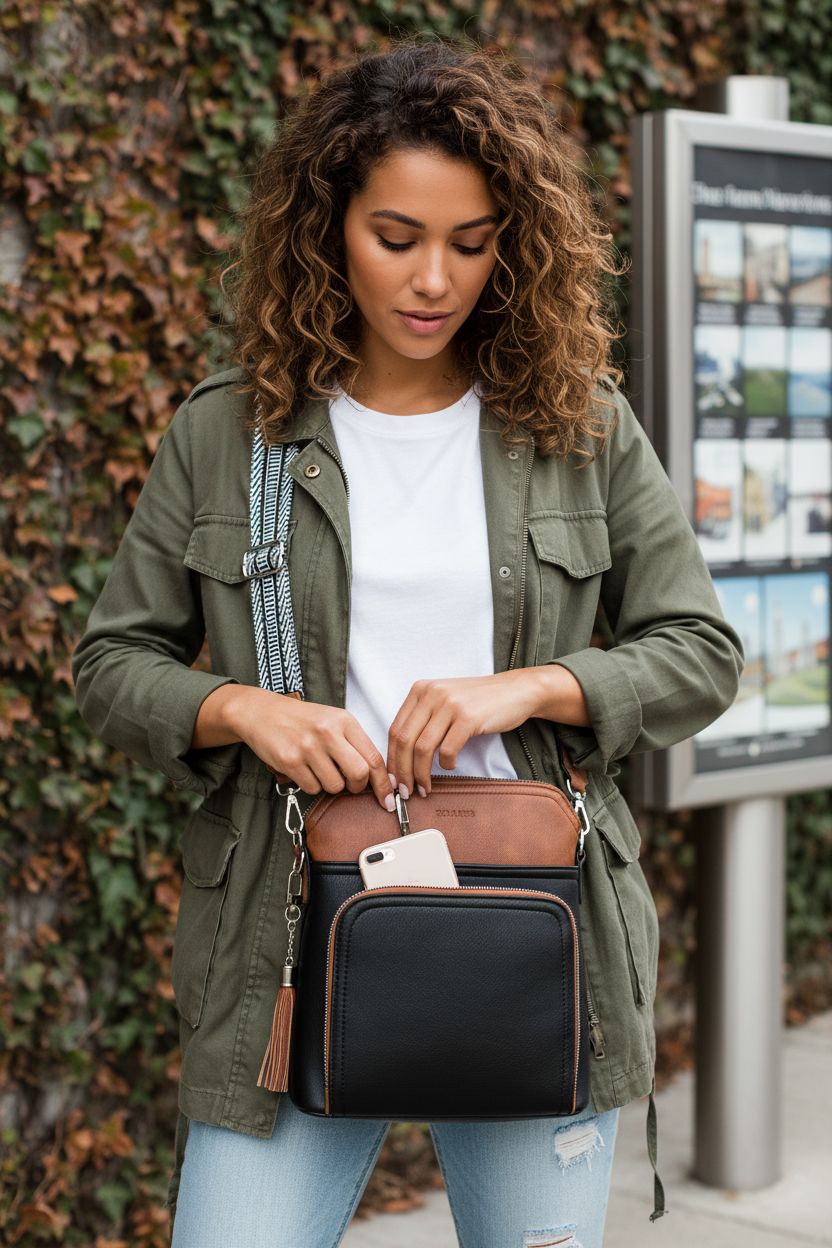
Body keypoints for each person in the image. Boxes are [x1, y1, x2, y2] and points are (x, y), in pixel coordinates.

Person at [71, 33, 745, 1248]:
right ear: (328, 226)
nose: (435, 278)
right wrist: (240, 710)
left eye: (473, 243)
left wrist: (530, 688)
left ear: (513, 244)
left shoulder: (578, 427)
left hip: (535, 931)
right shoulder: (235, 435)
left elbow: (698, 648)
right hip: (290, 932)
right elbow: (113, 666)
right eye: (397, 237)